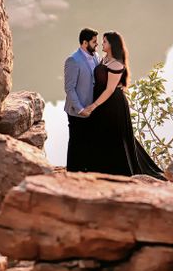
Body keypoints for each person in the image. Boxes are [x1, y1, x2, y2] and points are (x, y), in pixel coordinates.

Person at [80, 31, 166, 179]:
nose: (102, 43)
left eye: (105, 41)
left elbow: (110, 89)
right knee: (100, 134)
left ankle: (118, 171)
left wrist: (93, 106)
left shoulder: (117, 64)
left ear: (112, 44)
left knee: (116, 137)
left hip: (113, 105)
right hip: (102, 102)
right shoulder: (104, 59)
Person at [63, 27, 99, 172]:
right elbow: (69, 88)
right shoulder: (73, 60)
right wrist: (80, 109)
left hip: (91, 109)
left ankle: (86, 171)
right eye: (94, 42)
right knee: (76, 142)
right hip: (77, 110)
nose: (97, 45)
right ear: (85, 43)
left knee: (88, 141)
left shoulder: (96, 56)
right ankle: (71, 173)